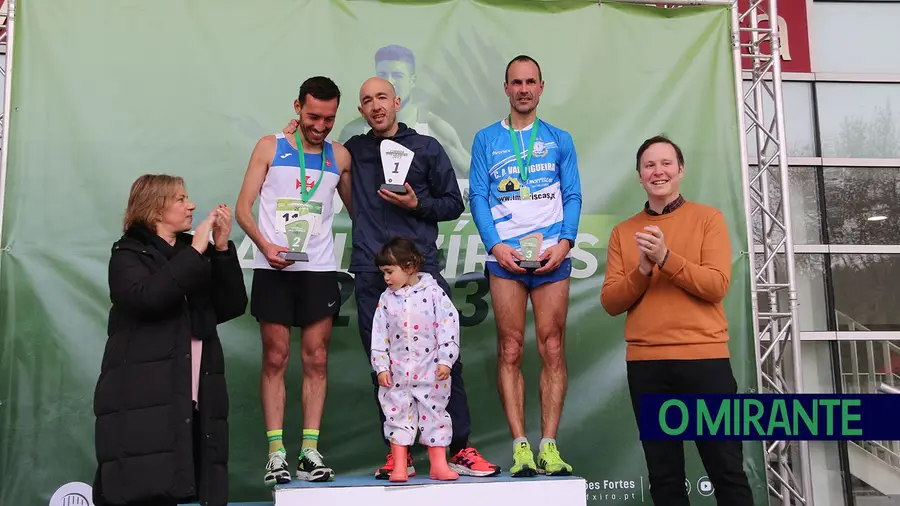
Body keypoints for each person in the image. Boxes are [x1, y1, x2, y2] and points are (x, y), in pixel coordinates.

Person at [283, 76, 500, 480]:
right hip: (371, 271)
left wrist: (419, 204)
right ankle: (396, 452)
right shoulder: (353, 151)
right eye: (367, 100)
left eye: (382, 97)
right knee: (383, 365)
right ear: (362, 111)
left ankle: (459, 448)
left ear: (397, 101)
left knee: (445, 363)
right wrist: (292, 132)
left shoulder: (427, 147)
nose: (376, 105)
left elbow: (453, 203)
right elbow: (311, 152)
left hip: (422, 272)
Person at [599, 135, 755, 505]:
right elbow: (610, 301)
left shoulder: (708, 219)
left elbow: (716, 285)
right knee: (664, 475)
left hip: (706, 362)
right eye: (649, 165)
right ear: (639, 176)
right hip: (648, 367)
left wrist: (667, 258)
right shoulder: (624, 232)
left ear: (681, 170)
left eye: (666, 163)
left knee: (726, 468)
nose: (658, 171)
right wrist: (642, 269)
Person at [93, 175, 247, 506]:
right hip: (145, 394)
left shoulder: (197, 251)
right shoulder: (127, 254)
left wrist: (220, 249)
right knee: (142, 484)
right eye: (180, 199)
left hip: (193, 390)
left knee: (180, 482)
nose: (191, 205)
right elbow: (147, 298)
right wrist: (196, 251)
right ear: (154, 209)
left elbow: (230, 305)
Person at [469, 55, 582, 478]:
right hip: (507, 258)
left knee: (552, 347)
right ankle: (520, 446)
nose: (523, 89)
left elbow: (572, 194)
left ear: (541, 87)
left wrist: (566, 241)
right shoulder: (485, 139)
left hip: (552, 254)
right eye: (516, 82)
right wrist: (495, 246)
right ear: (506, 89)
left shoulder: (559, 139)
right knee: (511, 348)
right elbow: (478, 196)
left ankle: (548, 445)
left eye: (530, 81)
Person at [235, 76, 351, 486]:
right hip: (274, 267)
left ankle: (309, 451)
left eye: (330, 118)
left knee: (316, 359)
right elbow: (242, 209)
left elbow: (362, 213)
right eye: (314, 116)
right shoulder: (271, 146)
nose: (321, 126)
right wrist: (265, 245)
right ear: (298, 107)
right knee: (275, 357)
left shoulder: (341, 156)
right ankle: (275, 453)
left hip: (318, 268)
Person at [370, 237, 461, 483]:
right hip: (398, 374)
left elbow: (448, 327)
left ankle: (439, 465)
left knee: (435, 414)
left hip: (430, 370)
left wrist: (445, 360)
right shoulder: (386, 300)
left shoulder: (434, 294)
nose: (386, 278)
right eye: (383, 273)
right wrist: (381, 366)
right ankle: (400, 465)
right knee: (396, 414)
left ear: (410, 265)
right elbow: (379, 336)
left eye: (390, 271)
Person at [336, 45, 471, 178]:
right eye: (382, 74)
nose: (389, 81)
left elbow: (474, 173)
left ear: (412, 81)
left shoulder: (436, 129)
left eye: (397, 75)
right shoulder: (353, 131)